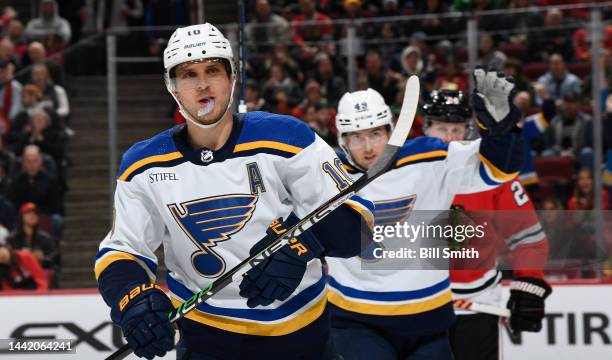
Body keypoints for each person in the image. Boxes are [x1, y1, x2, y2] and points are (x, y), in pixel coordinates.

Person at [94, 23, 374, 360]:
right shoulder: (143, 165)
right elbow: (122, 250)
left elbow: (357, 225)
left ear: (232, 78)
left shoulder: (287, 138)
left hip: (304, 335)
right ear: (173, 87)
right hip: (208, 341)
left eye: (213, 70)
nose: (202, 84)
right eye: (188, 74)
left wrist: (303, 246)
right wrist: (132, 297)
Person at [326, 70, 526, 360]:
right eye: (356, 138)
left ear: (391, 130)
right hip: (355, 322)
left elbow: (501, 169)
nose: (368, 147)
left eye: (375, 133)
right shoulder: (323, 176)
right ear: (342, 139)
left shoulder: (430, 157)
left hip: (428, 319)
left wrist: (501, 132)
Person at [418, 89, 550, 360]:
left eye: (456, 129)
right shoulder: (404, 170)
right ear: (425, 127)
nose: (449, 138)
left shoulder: (492, 171)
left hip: (477, 306)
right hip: (416, 306)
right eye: (441, 128)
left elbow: (529, 238)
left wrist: (528, 284)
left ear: (468, 131)